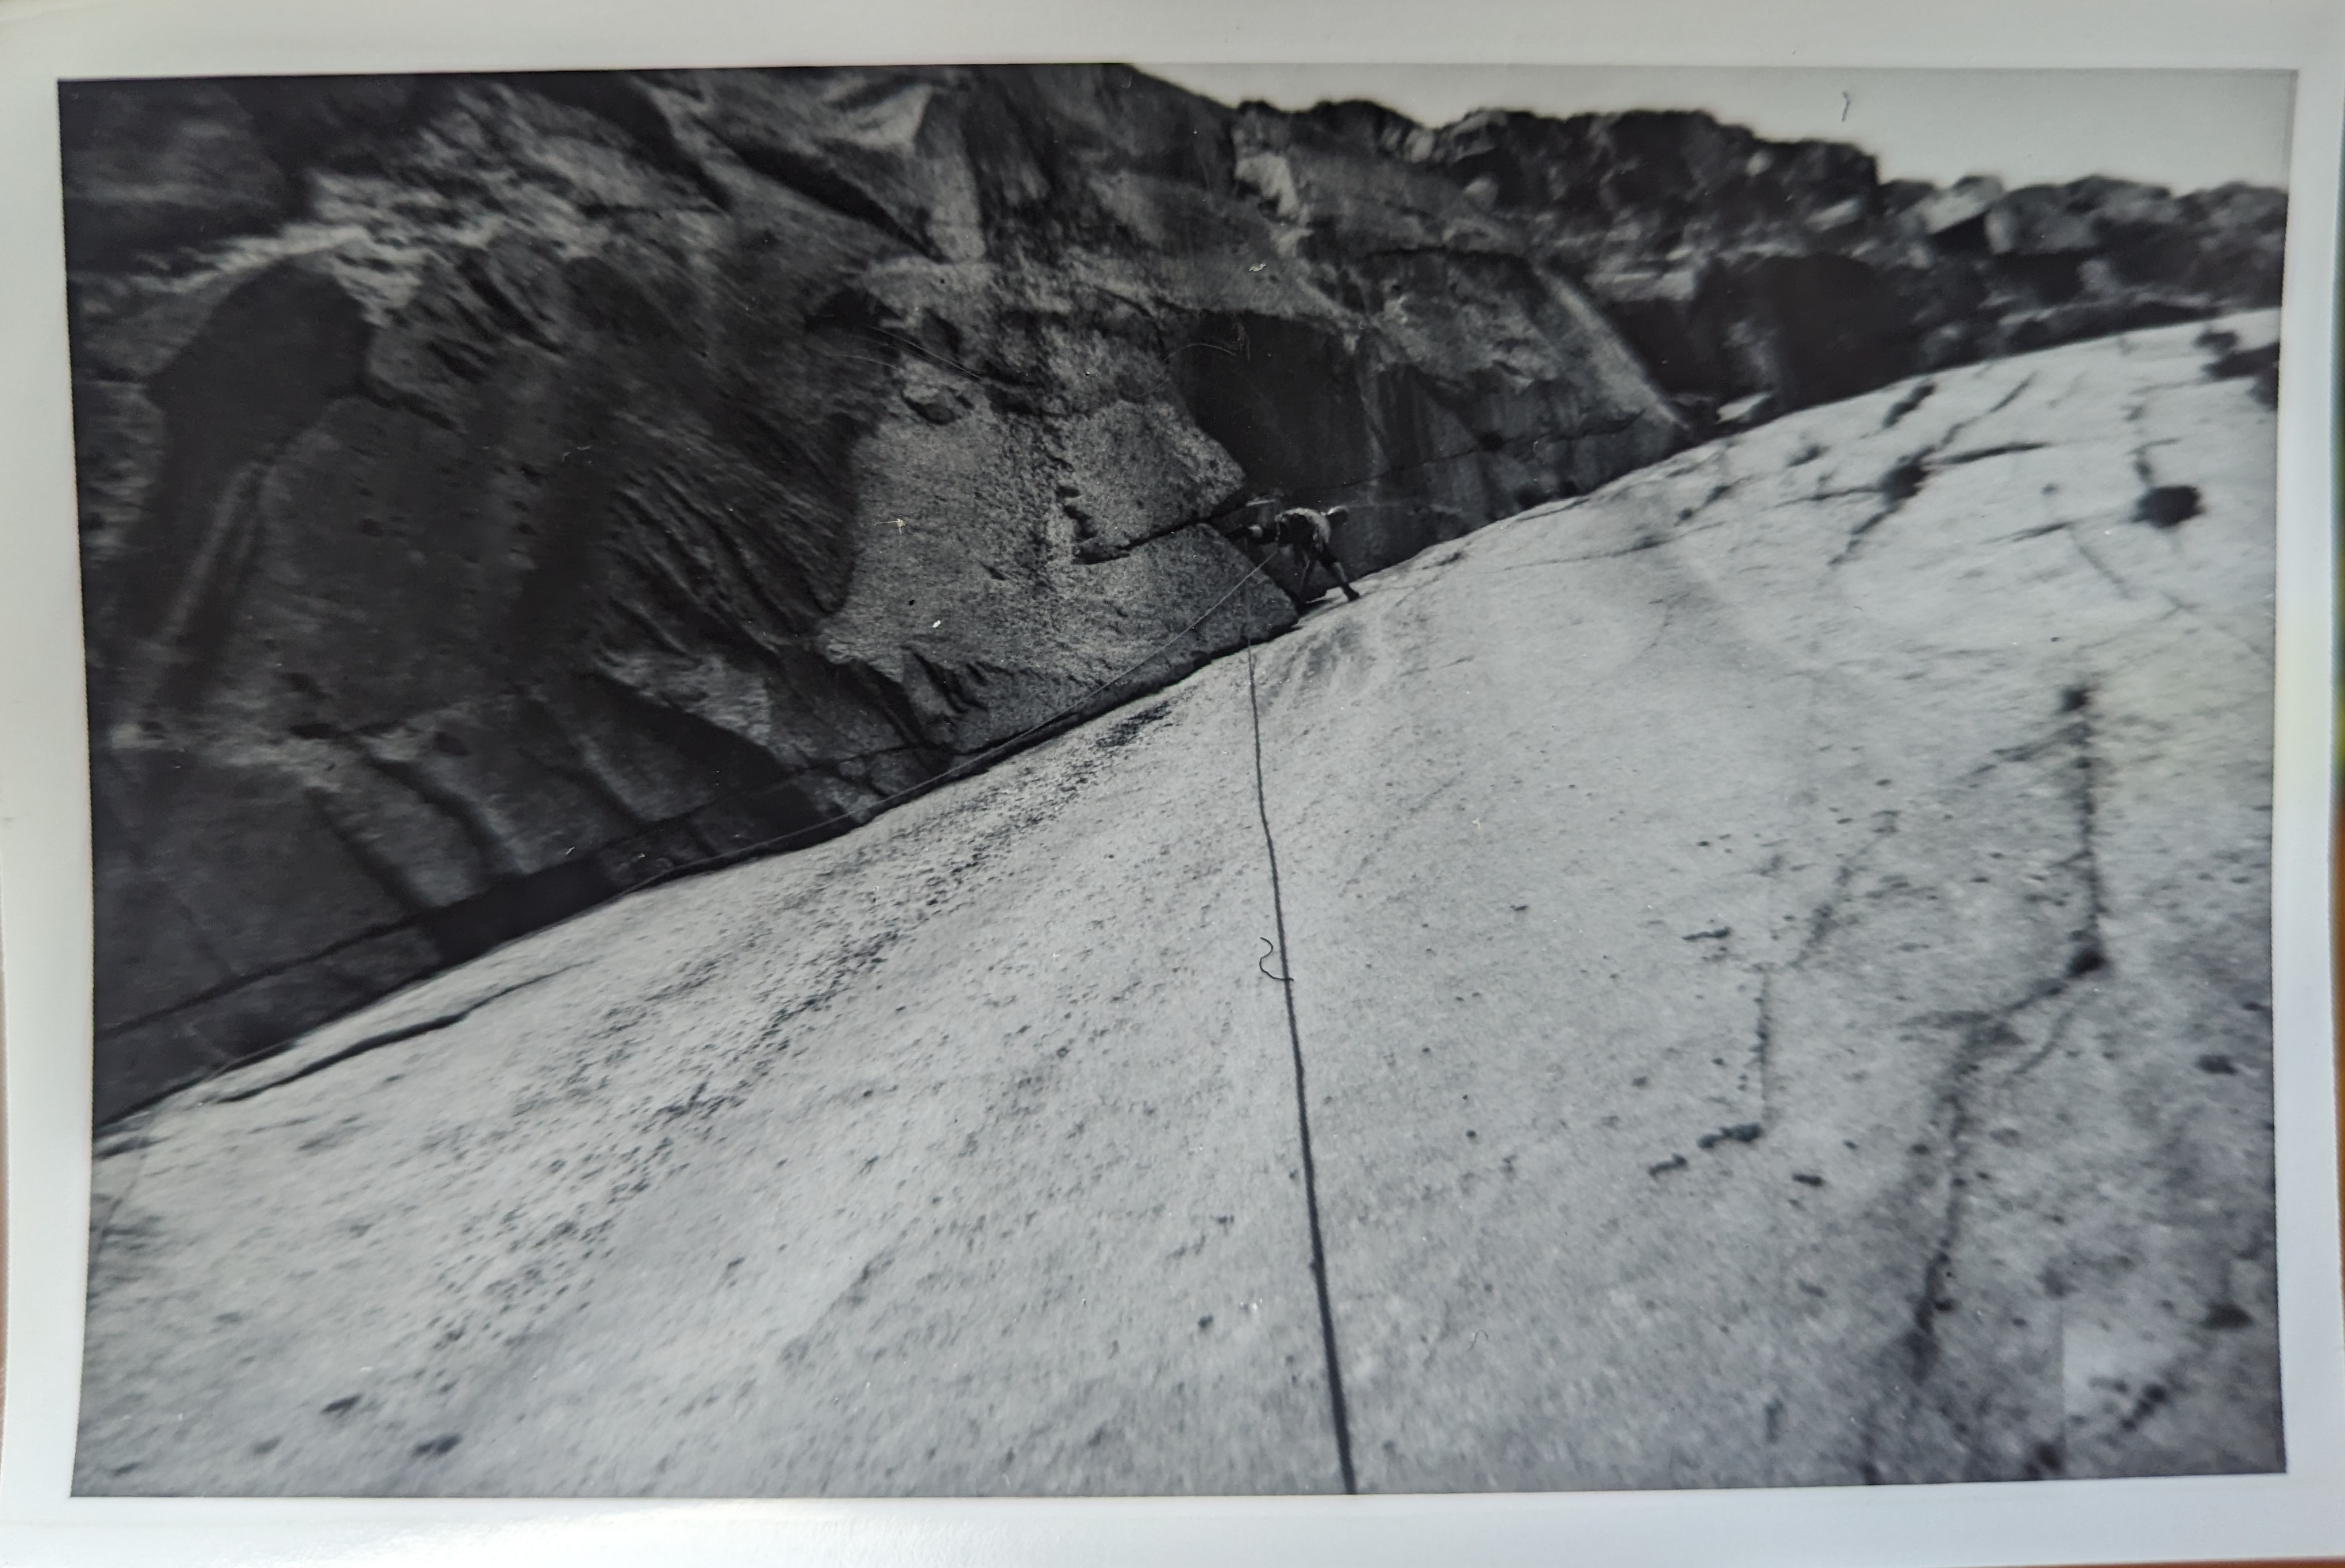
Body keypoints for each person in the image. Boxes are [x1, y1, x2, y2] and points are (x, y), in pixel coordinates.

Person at [1243, 501, 1361, 602]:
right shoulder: (1324, 526)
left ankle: (1245, 531)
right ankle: (1347, 589)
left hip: (1286, 521)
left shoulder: (1311, 512)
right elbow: (1314, 554)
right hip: (1297, 525)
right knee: (1328, 560)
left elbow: (1292, 521)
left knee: (1267, 534)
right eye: (1340, 520)